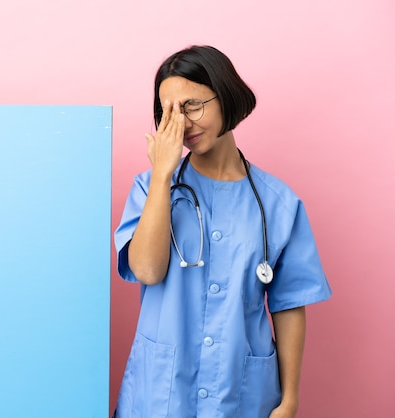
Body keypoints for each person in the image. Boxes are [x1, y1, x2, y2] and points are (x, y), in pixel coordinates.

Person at [113, 45, 332, 418]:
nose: (183, 124)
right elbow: (147, 270)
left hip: (241, 392)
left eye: (193, 105)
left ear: (225, 96)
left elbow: (289, 303)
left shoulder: (278, 203)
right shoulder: (150, 189)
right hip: (161, 392)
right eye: (169, 113)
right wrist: (164, 174)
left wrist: (289, 397)